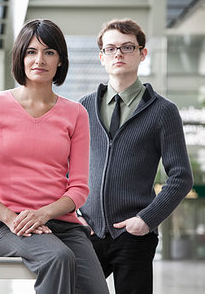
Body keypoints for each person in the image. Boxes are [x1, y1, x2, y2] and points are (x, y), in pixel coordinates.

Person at [0, 19, 109, 294]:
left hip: (64, 225)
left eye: (49, 52)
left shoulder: (76, 113)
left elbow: (79, 188)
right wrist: (10, 218)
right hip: (12, 225)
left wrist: (43, 214)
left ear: (60, 61)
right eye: (31, 51)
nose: (39, 60)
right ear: (20, 57)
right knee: (58, 258)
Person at [78, 18, 193, 294]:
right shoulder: (82, 108)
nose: (118, 54)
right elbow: (64, 169)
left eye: (127, 47)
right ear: (101, 57)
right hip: (88, 232)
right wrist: (74, 214)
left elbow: (181, 177)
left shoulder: (163, 111)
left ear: (142, 53)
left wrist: (147, 219)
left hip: (134, 234)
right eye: (110, 48)